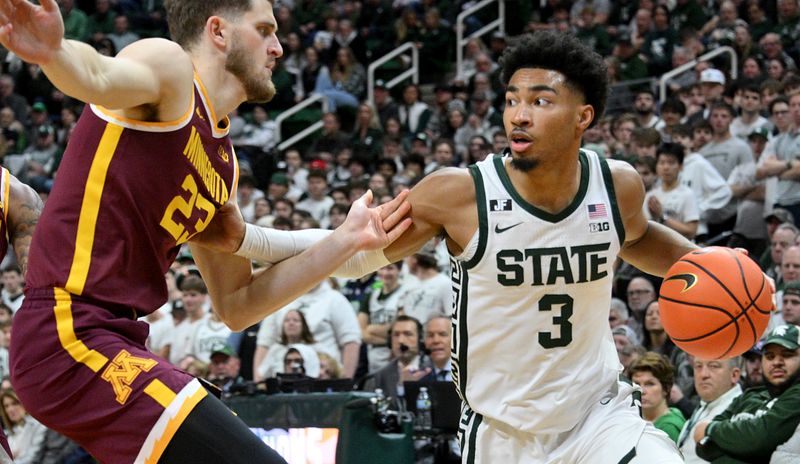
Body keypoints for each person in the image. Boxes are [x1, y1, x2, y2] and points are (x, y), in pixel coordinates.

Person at [227, 31, 699, 462]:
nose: (519, 114)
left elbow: (638, 237)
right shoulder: (459, 194)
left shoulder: (616, 185)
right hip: (502, 431)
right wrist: (248, 237)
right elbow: (355, 252)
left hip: (598, 417)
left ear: (584, 117)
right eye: (512, 99)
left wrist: (708, 263)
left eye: (540, 101)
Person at [1, 1, 411, 463]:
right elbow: (98, 76)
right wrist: (54, 54)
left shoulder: (223, 165)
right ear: (218, 31)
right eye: (264, 30)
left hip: (116, 339)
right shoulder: (170, 69)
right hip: (67, 333)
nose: (278, 47)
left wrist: (345, 242)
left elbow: (238, 305)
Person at [694, 324, 800, 462]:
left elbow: (760, 438)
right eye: (769, 356)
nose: (776, 362)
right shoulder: (749, 395)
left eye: (787, 355)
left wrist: (710, 429)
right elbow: (704, 447)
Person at [677, 356, 742, 463]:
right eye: (698, 366)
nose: (703, 374)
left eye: (714, 366)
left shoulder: (741, 413)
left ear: (734, 375)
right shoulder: (705, 404)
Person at [629, 352, 687, 444]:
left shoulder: (669, 427)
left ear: (666, 388)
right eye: (636, 384)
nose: (642, 391)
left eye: (650, 384)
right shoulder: (638, 418)